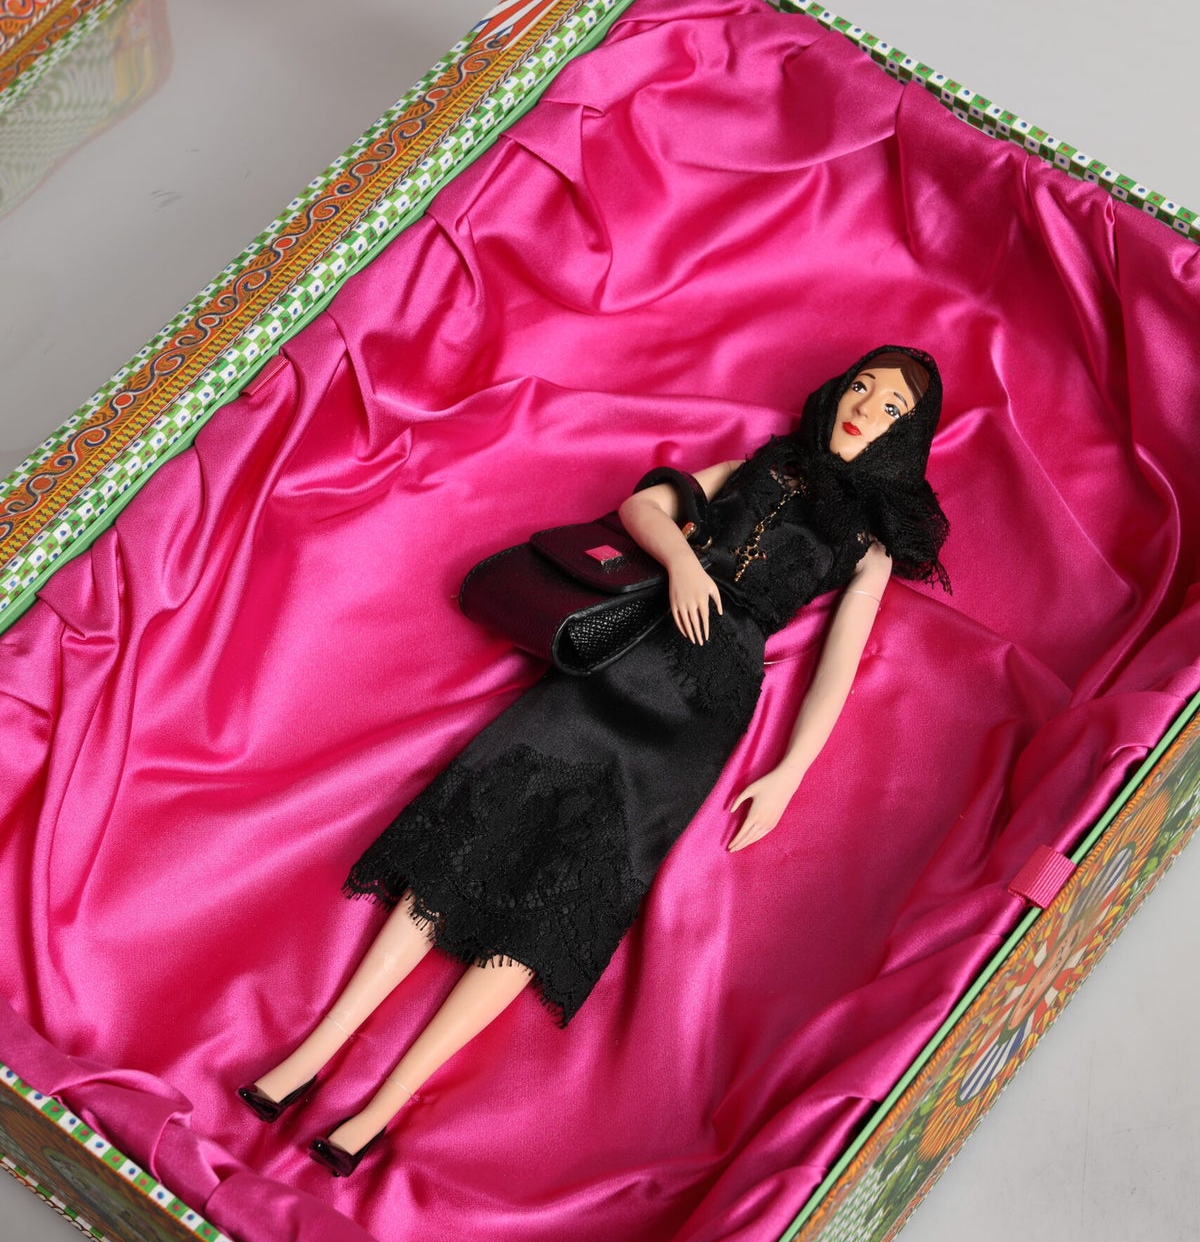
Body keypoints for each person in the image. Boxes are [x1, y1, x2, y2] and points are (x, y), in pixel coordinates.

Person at [237, 344, 951, 1175]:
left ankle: (382, 1106)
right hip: (629, 651)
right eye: (862, 385)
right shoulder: (760, 463)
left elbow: (840, 661)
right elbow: (642, 506)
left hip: (704, 711)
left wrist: (789, 773)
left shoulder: (868, 544)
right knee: (478, 828)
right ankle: (314, 1051)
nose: (864, 408)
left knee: (566, 894)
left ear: (906, 437)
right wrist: (682, 562)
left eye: (890, 408)